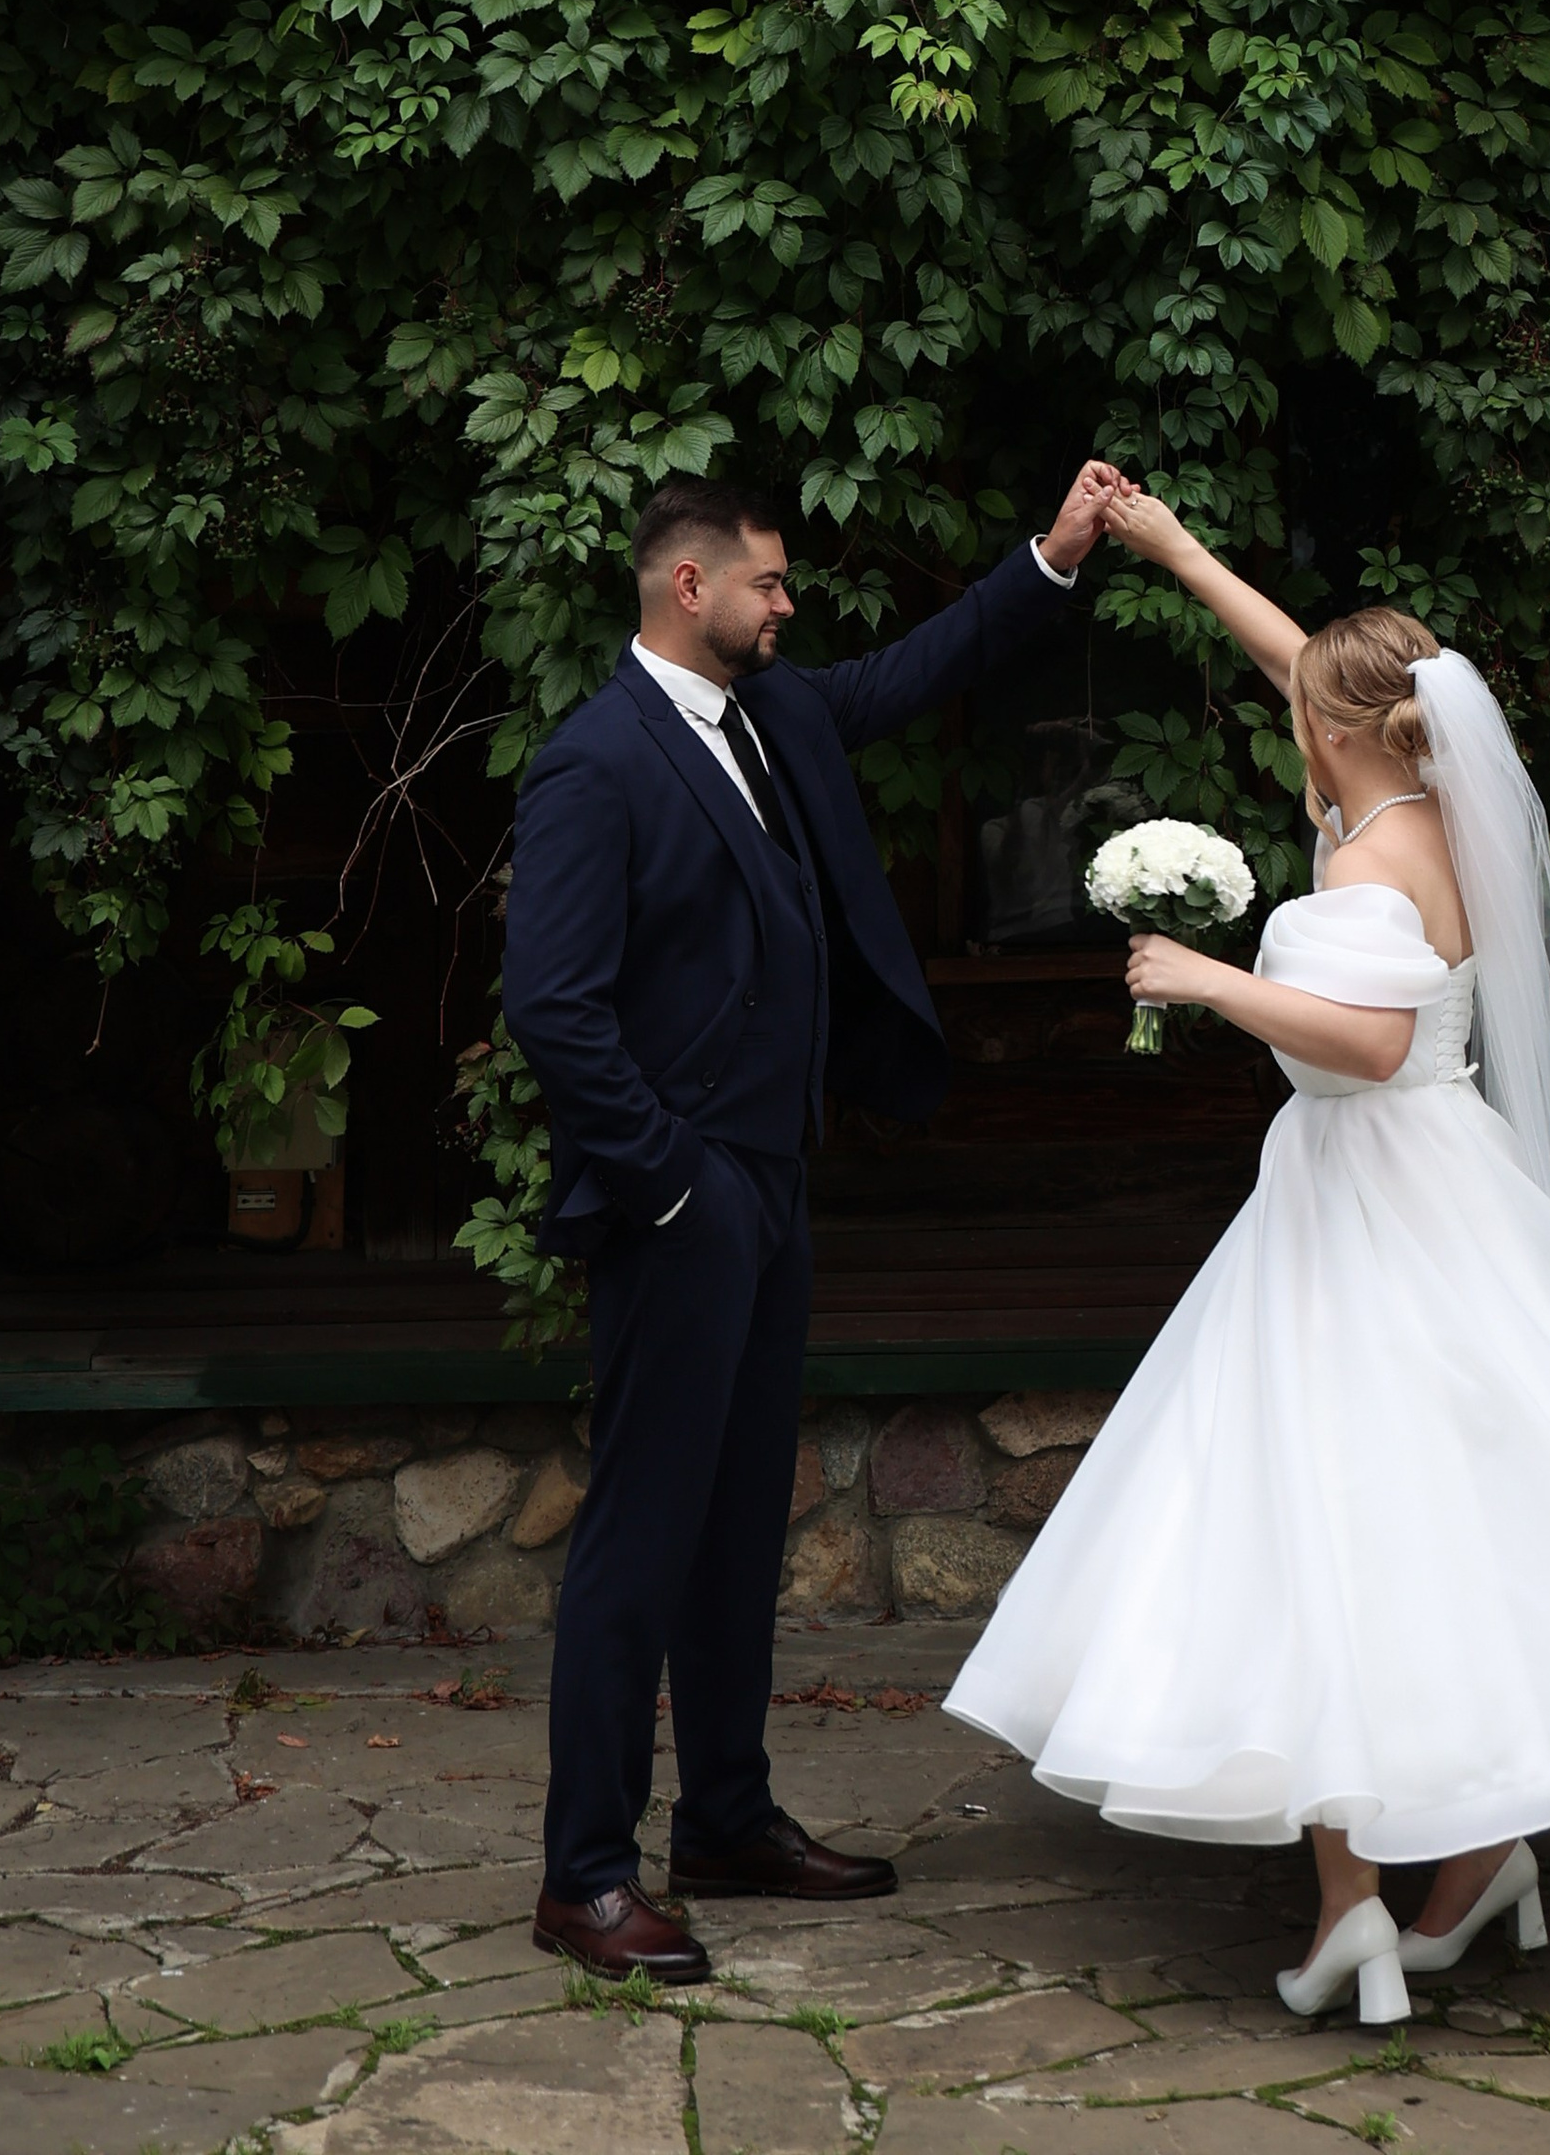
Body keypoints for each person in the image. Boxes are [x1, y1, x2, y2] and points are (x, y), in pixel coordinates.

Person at [947, 492, 1550, 2029]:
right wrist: (1177, 553)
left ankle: (1363, 1902)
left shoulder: (1361, 872)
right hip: (1437, 1182)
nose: (1286, 712)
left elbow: (1372, 1043)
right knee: (1446, 1511)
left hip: (1369, 1204)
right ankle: (1464, 1863)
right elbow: (1306, 668)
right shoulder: (1434, 810)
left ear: (1334, 734)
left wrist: (1209, 980)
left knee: (1335, 1517)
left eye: (1301, 708)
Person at [506, 460, 1125, 1986]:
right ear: (690, 586)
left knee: (737, 1528)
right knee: (640, 1540)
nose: (790, 605)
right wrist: (671, 1183)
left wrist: (1049, 556)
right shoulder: (595, 764)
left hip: (772, 1183)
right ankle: (586, 1876)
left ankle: (726, 1820)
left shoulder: (771, 712)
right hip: (682, 1198)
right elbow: (555, 1008)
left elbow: (916, 670)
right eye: (769, 582)